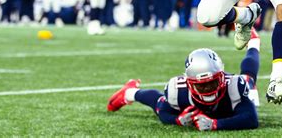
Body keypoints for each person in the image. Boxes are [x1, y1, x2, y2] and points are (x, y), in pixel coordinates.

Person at [107, 31, 260, 131]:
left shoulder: (234, 87)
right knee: (158, 101)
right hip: (191, 100)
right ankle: (130, 92)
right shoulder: (178, 91)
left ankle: (253, 43)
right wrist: (177, 120)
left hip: (227, 102)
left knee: (248, 80)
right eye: (202, 86)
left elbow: (251, 119)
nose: (208, 90)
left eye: (211, 83)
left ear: (221, 77)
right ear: (189, 83)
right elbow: (162, 110)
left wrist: (216, 124)